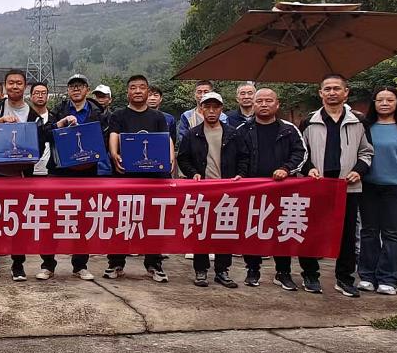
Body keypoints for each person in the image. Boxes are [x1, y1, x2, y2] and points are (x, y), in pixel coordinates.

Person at [302, 74, 374, 298]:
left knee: (347, 235)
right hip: (317, 185)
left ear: (346, 92)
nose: (332, 92)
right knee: (311, 232)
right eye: (327, 89)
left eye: (336, 88)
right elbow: (301, 153)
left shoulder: (359, 121)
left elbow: (367, 152)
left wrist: (358, 170)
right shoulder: (309, 121)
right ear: (320, 93)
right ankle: (310, 275)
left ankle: (344, 278)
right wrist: (309, 168)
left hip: (347, 187)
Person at [234, 88, 310, 289]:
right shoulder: (243, 130)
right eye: (259, 101)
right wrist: (240, 175)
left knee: (282, 230)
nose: (264, 104)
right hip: (252, 190)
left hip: (283, 189)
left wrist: (286, 169)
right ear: (253, 105)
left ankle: (283, 272)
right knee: (253, 230)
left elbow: (301, 153)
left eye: (269, 100)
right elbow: (238, 156)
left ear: (277, 104)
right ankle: (252, 270)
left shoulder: (289, 129)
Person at [41, 74, 109, 280]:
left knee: (83, 219)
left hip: (87, 172)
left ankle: (80, 265)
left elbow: (105, 140)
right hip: (59, 172)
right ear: (68, 90)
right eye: (72, 86)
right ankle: (47, 265)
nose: (76, 89)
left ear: (87, 89)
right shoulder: (58, 110)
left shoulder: (99, 113)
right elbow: (45, 134)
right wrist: (60, 124)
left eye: (80, 86)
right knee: (52, 218)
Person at [105, 74, 172, 282]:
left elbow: (166, 139)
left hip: (153, 177)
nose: (137, 91)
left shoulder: (158, 117)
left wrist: (170, 159)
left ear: (148, 91)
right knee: (121, 219)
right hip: (125, 175)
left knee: (153, 220)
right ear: (128, 92)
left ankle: (154, 263)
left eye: (142, 87)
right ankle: (116, 263)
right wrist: (114, 154)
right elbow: (114, 135)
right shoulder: (119, 114)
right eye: (133, 87)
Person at [176, 92, 247, 288]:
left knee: (224, 230)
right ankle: (201, 270)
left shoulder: (233, 133)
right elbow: (183, 158)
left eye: (216, 107)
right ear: (201, 109)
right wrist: (193, 173)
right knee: (201, 230)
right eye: (207, 107)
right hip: (203, 190)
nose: (212, 111)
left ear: (221, 109)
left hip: (227, 190)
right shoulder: (193, 134)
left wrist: (240, 174)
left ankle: (222, 270)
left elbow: (243, 157)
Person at [0, 69, 44, 282]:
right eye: (11, 83)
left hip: (21, 177)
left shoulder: (33, 115)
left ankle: (18, 264)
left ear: (25, 87)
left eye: (19, 83)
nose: (14, 86)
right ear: (5, 86)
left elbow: (41, 142)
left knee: (19, 222)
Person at [359, 86, 397, 295]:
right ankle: (367, 275)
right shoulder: (365, 127)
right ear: (374, 103)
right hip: (368, 186)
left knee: (392, 234)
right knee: (368, 232)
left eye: (390, 100)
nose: (384, 104)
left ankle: (388, 278)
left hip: (396, 188)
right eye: (380, 100)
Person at [29, 82, 55, 177]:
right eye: (37, 93)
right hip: (28, 169)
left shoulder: (55, 117)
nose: (40, 96)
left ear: (47, 96)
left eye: (43, 93)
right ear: (31, 96)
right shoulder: (25, 117)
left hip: (50, 171)